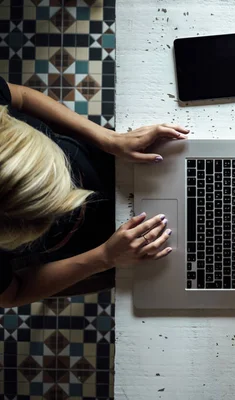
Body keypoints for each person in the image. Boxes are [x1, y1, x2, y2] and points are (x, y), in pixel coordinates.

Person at [0, 76, 189, 307]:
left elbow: (19, 95)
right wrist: (104, 258)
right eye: (57, 203)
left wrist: (109, 138)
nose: (77, 193)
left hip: (99, 158)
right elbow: (13, 294)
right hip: (87, 245)